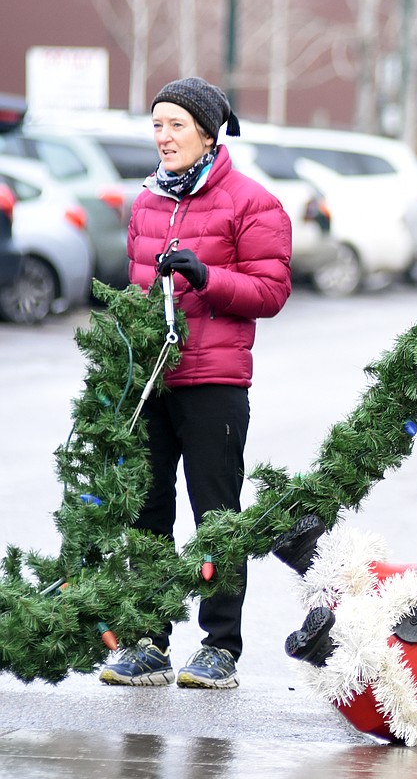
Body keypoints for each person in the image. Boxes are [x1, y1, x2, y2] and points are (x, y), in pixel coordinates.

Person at [99, 77, 292, 689]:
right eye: (156, 125)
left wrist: (207, 277)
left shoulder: (252, 202)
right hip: (151, 385)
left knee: (216, 516)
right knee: (148, 515)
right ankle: (149, 641)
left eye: (176, 125)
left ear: (208, 132)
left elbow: (271, 292)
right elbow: (133, 296)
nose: (163, 137)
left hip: (214, 384)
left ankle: (220, 648)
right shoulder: (147, 203)